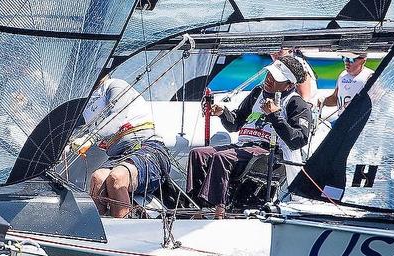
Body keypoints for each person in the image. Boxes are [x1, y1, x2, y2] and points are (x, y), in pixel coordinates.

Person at [187, 56, 313, 218]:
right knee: (198, 154)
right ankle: (197, 206)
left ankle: (219, 210)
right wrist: (222, 113)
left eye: (276, 79)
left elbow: (299, 140)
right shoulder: (257, 93)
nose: (269, 80)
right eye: (269, 75)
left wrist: (275, 115)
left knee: (222, 157)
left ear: (289, 85)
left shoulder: (297, 104)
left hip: (268, 153)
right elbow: (235, 123)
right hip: (244, 146)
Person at [80, 74, 170, 218]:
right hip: (119, 156)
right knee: (97, 178)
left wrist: (91, 138)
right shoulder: (85, 102)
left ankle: (124, 230)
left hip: (147, 149)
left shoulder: (115, 85)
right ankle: (96, 231)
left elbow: (117, 116)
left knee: (117, 178)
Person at [318, 52, 374, 121]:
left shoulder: (370, 76)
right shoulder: (343, 75)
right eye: (344, 58)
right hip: (341, 121)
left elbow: (377, 103)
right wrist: (323, 101)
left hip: (359, 123)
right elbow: (335, 99)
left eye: (351, 60)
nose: (346, 63)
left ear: (363, 61)